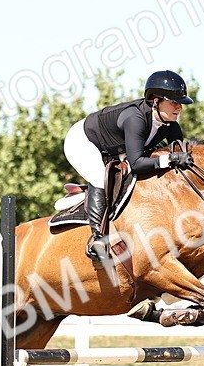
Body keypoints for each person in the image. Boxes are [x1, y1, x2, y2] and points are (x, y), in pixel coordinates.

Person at [64, 70, 196, 259]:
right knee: (99, 179)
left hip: (116, 148)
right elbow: (137, 164)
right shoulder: (135, 118)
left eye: (181, 103)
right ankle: (97, 239)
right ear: (156, 101)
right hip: (84, 142)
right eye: (173, 102)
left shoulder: (170, 125)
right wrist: (171, 160)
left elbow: (178, 157)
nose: (179, 108)